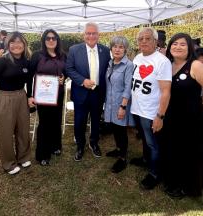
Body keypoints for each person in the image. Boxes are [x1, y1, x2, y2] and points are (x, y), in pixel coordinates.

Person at [160, 33, 203, 198]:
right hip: (170, 115)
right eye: (174, 43)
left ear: (190, 48)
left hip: (190, 118)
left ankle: (187, 186)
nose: (177, 47)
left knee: (188, 152)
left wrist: (195, 104)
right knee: (172, 149)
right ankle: (172, 180)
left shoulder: (195, 66)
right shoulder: (168, 64)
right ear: (170, 46)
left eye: (182, 44)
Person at [130, 27, 171, 190]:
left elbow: (166, 91)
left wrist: (159, 116)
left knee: (153, 144)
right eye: (141, 39)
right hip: (137, 109)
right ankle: (145, 160)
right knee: (145, 140)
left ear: (156, 41)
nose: (144, 41)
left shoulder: (162, 61)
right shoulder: (137, 58)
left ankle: (155, 173)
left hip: (151, 112)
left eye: (148, 38)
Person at [0, 32, 32, 174]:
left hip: (21, 96)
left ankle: (23, 157)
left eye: (19, 42)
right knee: (6, 131)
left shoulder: (26, 61)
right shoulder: (1, 61)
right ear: (8, 44)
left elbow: (30, 79)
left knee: (23, 128)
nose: (16, 45)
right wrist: (3, 89)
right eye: (13, 42)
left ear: (24, 45)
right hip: (5, 97)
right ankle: (9, 163)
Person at [65, 22, 111, 161]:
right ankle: (80, 145)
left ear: (98, 35)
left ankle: (94, 143)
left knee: (96, 120)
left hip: (98, 93)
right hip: (81, 92)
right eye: (88, 33)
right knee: (79, 121)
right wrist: (82, 80)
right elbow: (69, 69)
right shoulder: (74, 50)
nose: (91, 36)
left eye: (94, 33)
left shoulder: (105, 50)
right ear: (84, 35)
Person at [27, 29, 66, 166]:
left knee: (56, 121)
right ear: (44, 40)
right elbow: (29, 76)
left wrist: (63, 78)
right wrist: (29, 95)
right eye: (48, 38)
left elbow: (65, 72)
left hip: (58, 95)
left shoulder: (62, 55)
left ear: (57, 40)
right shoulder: (37, 55)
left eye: (53, 38)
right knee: (44, 123)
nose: (51, 40)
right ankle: (43, 154)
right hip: (42, 96)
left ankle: (55, 146)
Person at [103, 36, 135, 173]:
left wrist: (123, 107)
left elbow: (128, 87)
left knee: (121, 130)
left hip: (121, 103)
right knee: (115, 128)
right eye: (115, 46)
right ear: (111, 48)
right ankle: (118, 149)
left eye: (121, 47)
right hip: (110, 103)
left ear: (125, 50)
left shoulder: (128, 65)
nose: (117, 49)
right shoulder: (110, 63)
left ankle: (122, 158)